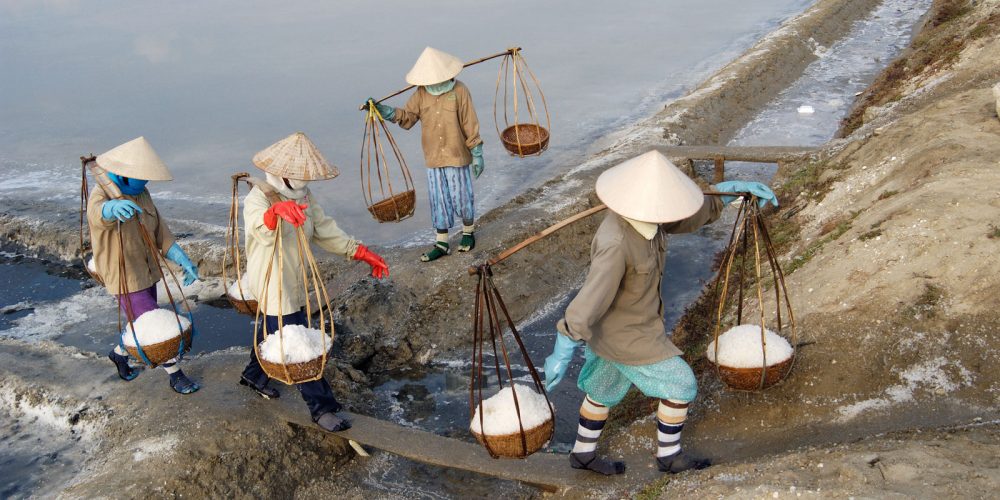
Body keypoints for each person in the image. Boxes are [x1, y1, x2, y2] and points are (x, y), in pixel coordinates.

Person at [543, 150, 778, 475]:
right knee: (681, 385)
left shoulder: (649, 219)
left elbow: (687, 216)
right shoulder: (616, 244)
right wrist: (564, 344)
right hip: (629, 337)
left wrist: (729, 191)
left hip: (617, 332)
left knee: (601, 390)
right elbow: (590, 299)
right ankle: (669, 455)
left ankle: (582, 453)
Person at [238, 132, 389, 432]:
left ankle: (254, 376)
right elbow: (261, 231)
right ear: (281, 174)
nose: (303, 184)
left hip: (294, 279)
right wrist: (274, 214)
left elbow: (323, 229)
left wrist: (360, 252)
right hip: (272, 282)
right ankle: (321, 409)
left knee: (274, 331)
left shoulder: (303, 196)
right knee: (296, 344)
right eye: (297, 178)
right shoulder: (257, 199)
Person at [87, 136, 201, 395]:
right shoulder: (101, 194)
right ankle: (176, 375)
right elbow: (96, 215)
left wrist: (182, 258)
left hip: (147, 271)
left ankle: (119, 354)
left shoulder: (143, 194)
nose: (145, 183)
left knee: (140, 320)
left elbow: (160, 230)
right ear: (123, 173)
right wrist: (111, 209)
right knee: (152, 324)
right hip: (124, 275)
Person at [365, 46, 484, 262]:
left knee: (462, 197)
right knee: (439, 200)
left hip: (457, 155)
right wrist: (385, 111)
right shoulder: (420, 94)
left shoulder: (459, 91)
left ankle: (468, 233)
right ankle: (442, 243)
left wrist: (477, 151)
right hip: (433, 158)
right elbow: (407, 118)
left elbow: (470, 122)